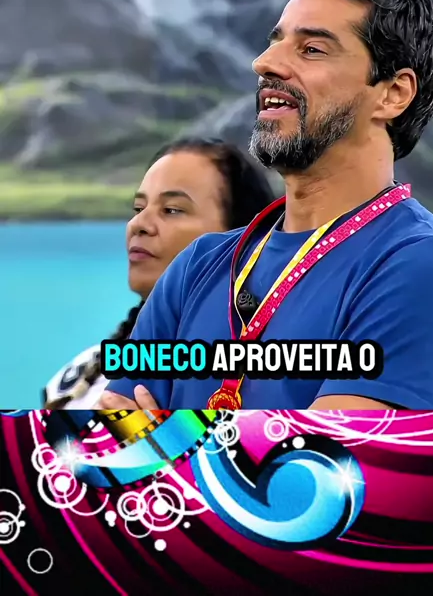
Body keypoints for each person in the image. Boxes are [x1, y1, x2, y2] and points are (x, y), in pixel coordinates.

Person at [101, 0, 433, 413]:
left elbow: (330, 456)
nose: (264, 63)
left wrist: (166, 438)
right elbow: (106, 439)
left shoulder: (422, 267)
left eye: (312, 49)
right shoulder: (196, 267)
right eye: (275, 42)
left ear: (393, 93)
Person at [43, 137, 275, 408]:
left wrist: (165, 435)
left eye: (172, 210)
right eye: (138, 208)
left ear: (244, 240)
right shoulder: (82, 374)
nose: (138, 224)